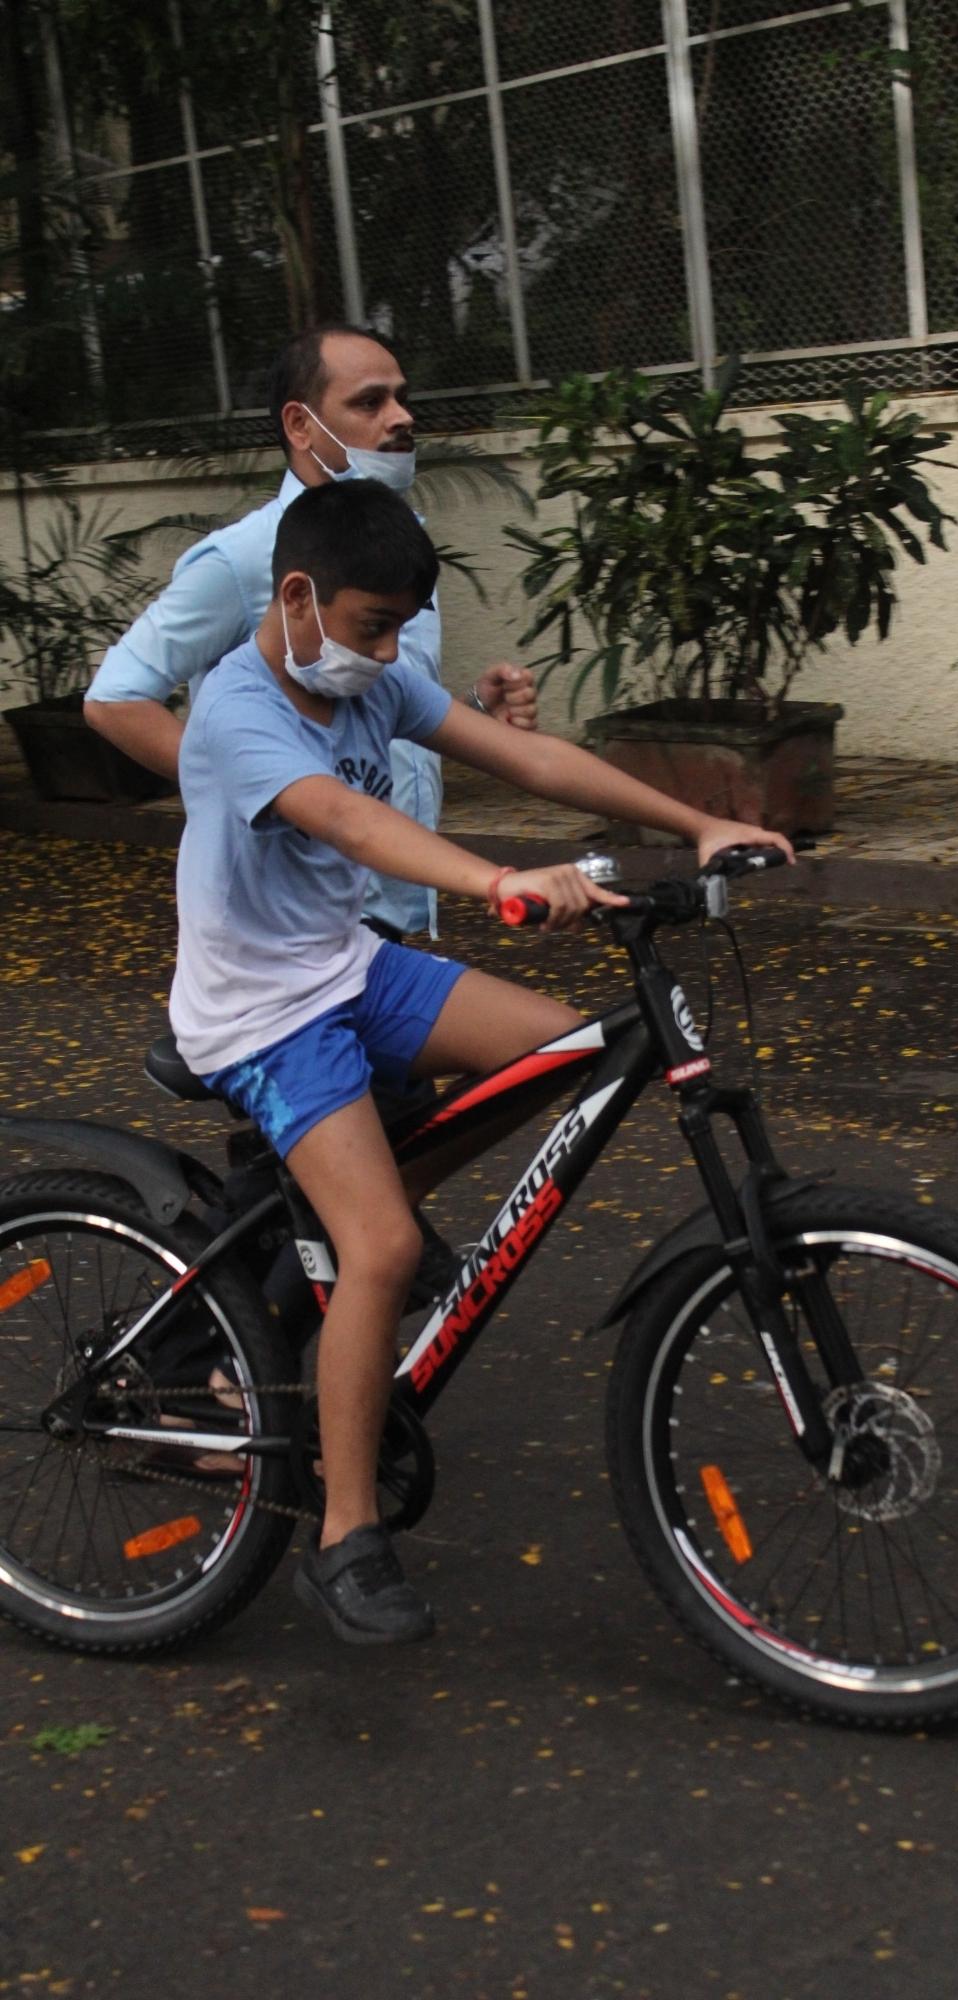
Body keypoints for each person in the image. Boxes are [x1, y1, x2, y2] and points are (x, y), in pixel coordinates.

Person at [169, 477, 794, 1647]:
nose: (387, 654)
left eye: (399, 630)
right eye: (371, 626)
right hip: (259, 1011)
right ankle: (344, 1535)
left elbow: (533, 761)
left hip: (349, 964)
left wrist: (694, 823)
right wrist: (495, 879)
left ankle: (349, 1205)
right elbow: (347, 820)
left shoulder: (366, 674)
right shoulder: (237, 710)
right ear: (296, 597)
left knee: (563, 1048)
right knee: (383, 1246)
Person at [85, 321, 536, 938]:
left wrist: (472, 709)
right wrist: (265, 787)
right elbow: (114, 698)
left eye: (402, 399)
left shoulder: (395, 544)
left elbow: (370, 712)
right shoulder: (244, 556)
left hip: (392, 892)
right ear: (300, 425)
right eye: (370, 402)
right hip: (297, 906)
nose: (402, 417)